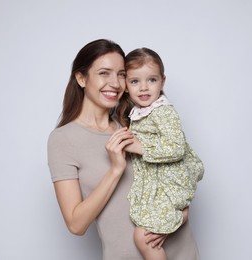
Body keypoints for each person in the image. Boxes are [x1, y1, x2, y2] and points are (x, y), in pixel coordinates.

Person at [48, 39, 201, 260]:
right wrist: (115, 170)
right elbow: (76, 224)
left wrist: (182, 214)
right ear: (81, 78)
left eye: (121, 74)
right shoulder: (63, 140)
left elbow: (181, 169)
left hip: (181, 251)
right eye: (104, 73)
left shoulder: (137, 122)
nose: (115, 83)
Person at [116, 47, 204, 259]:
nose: (144, 88)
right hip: (158, 185)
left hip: (170, 184)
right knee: (144, 233)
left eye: (152, 80)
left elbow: (176, 146)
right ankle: (178, 217)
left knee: (142, 238)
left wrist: (140, 147)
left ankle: (177, 217)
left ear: (162, 82)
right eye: (135, 81)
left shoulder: (163, 110)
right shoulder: (138, 112)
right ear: (126, 86)